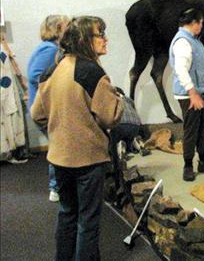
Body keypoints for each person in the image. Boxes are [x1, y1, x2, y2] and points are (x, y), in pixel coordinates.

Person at [31, 16, 123, 261]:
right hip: (88, 160)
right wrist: (119, 100)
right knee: (88, 221)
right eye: (100, 34)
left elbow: (37, 114)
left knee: (67, 213)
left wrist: (60, 131)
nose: (105, 39)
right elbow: (111, 116)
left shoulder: (54, 69)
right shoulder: (92, 72)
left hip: (59, 157)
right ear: (84, 39)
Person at [169, 7, 204, 182]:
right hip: (189, 94)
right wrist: (192, 93)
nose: (202, 25)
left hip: (198, 91)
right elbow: (180, 70)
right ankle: (188, 165)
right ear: (193, 23)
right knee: (191, 130)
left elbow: (199, 65)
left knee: (203, 127)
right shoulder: (183, 42)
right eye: (200, 23)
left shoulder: (193, 40)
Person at [27, 14, 70, 202]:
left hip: (46, 107)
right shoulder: (48, 49)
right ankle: (56, 188)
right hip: (45, 109)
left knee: (58, 144)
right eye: (67, 26)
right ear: (59, 28)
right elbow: (36, 75)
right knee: (58, 145)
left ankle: (59, 186)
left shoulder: (51, 48)